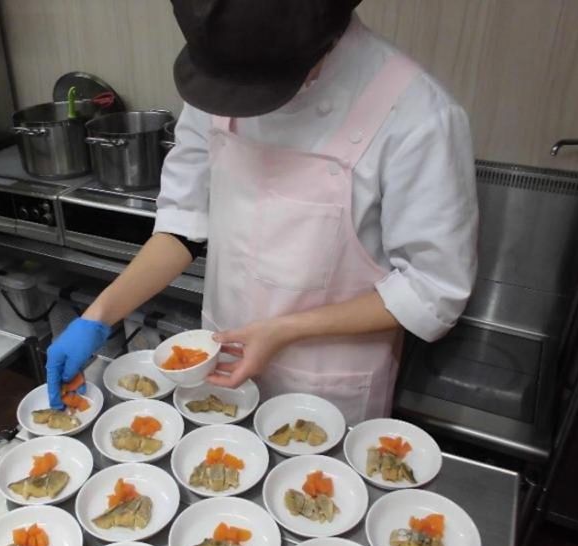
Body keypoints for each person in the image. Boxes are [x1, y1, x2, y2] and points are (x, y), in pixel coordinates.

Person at [46, 0, 478, 424]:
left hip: (328, 389)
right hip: (221, 369)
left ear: (324, 34)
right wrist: (97, 318)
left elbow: (431, 291)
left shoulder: (418, 114)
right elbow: (183, 226)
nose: (243, 103)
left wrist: (283, 330)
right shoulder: (223, 74)